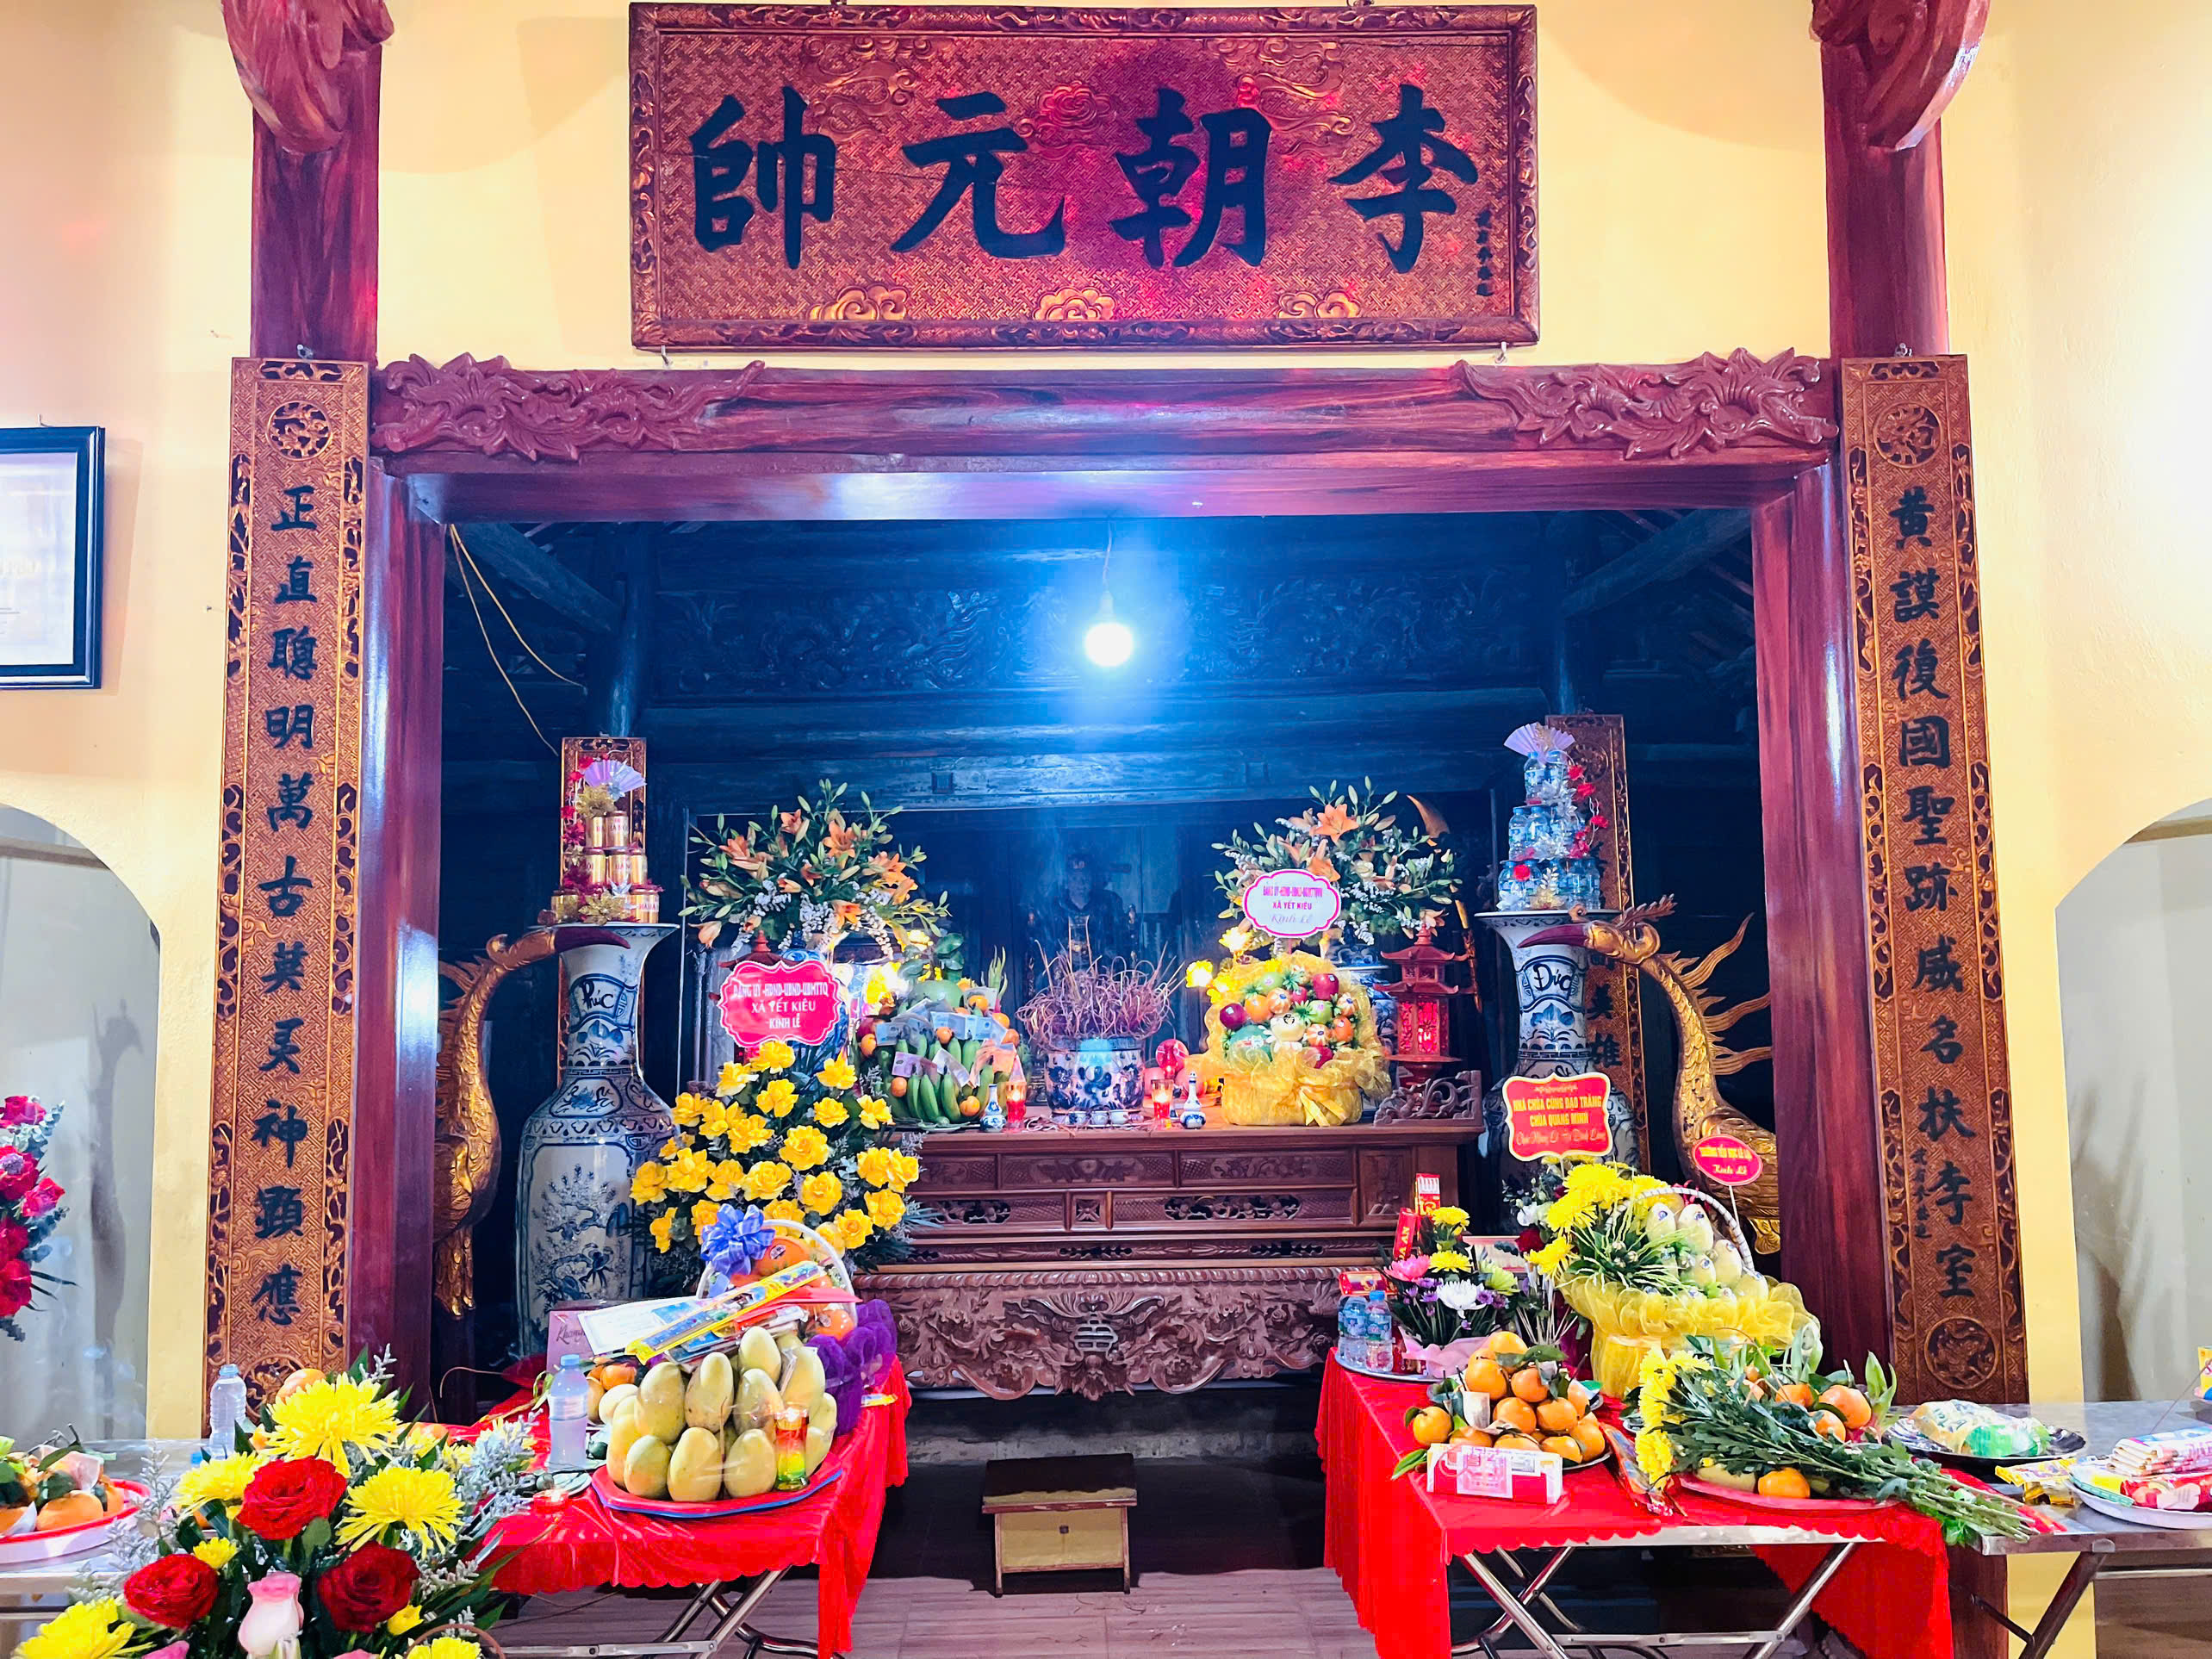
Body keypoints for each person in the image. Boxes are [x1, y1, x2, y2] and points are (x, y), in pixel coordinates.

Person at [1026, 848, 1136, 970]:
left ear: (1091, 880)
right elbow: (1047, 943)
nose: (1081, 884)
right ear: (1067, 882)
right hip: (1066, 971)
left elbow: (1118, 939)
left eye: (1085, 878)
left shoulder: (1106, 905)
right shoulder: (1056, 908)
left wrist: (1107, 951)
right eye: (1075, 879)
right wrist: (1060, 955)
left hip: (1099, 970)